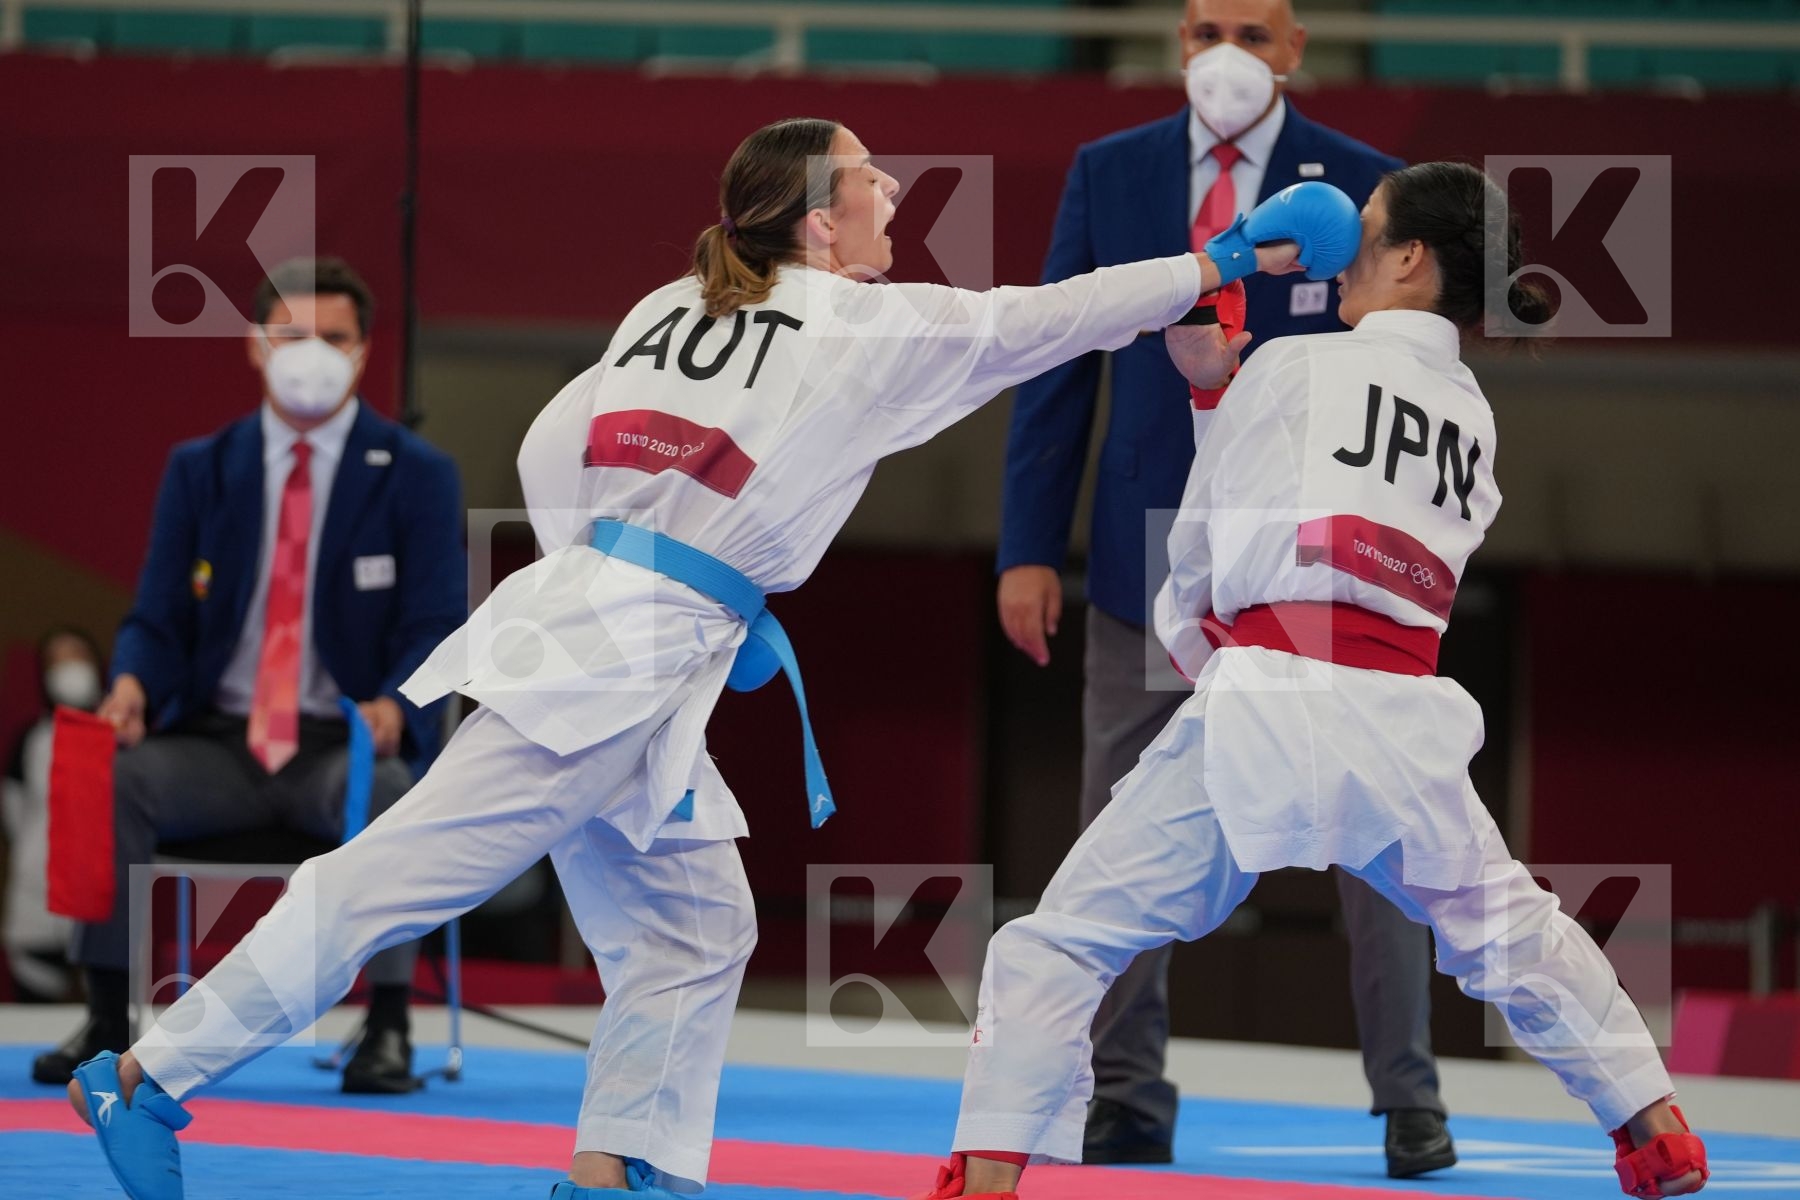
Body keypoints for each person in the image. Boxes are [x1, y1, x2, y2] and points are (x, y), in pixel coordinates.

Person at [63, 117, 1322, 1200]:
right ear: (818, 226)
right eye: (867, 175)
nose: (891, 190)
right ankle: (143, 1075)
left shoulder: (671, 305)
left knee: (696, 925)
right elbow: (1040, 321)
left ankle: (618, 1164)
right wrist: (1216, 259)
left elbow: (557, 447)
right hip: (618, 656)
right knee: (392, 877)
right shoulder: (853, 324)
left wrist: (619, 562)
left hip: (617, 637)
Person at [912, 162, 1710, 1200]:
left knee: (1061, 941)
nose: (1347, 259)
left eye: (1370, 233)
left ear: (1412, 259)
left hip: (1268, 706)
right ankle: (1659, 1132)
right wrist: (1224, 394)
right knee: (1513, 932)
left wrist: (1209, 390)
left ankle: (982, 1175)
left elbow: (1199, 554)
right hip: (1405, 726)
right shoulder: (1472, 419)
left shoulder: (1294, 370)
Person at [993, 0, 1445, 1174]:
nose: (1226, 52)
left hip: (1313, 562)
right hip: (1148, 552)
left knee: (1379, 830)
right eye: (1204, 29)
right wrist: (1027, 546)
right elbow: (1057, 362)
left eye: (1253, 29)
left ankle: (1408, 1095)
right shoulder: (1114, 169)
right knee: (1123, 827)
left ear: (1297, 49)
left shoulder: (1364, 184)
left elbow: (1396, 380)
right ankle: (1127, 1090)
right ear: (1176, 45)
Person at [31, 257, 467, 1096]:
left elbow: (435, 625)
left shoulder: (415, 472)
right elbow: (158, 615)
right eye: (292, 334)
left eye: (332, 338)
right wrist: (131, 688)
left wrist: (393, 705)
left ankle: (386, 1027)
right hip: (219, 748)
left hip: (340, 746)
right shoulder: (203, 468)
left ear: (364, 352)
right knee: (115, 777)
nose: (313, 354)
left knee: (391, 793)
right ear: (256, 346)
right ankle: (107, 1015)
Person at [2, 627, 104, 1001]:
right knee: (33, 1027)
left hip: (105, 908)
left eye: (76, 656)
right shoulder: (31, 740)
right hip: (37, 905)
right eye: (56, 661)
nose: (68, 668)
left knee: (109, 1029)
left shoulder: (124, 735)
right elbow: (14, 815)